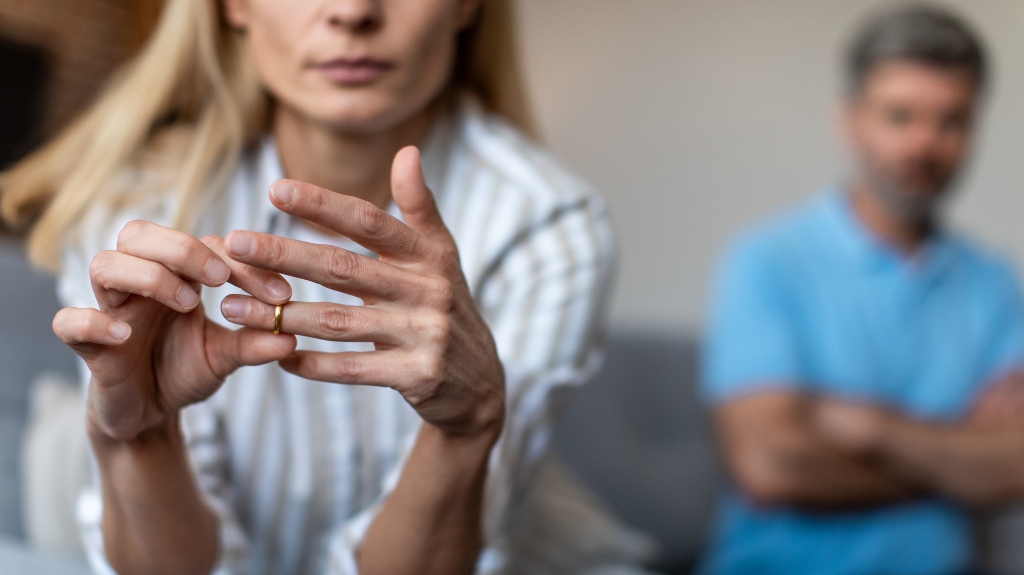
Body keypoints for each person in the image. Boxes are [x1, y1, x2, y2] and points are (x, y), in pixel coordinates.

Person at [0, 1, 644, 574]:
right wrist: (140, 440)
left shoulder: (548, 224)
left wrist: (468, 429)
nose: (354, 11)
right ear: (233, 6)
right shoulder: (134, 210)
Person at [700, 5, 1024, 575]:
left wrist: (868, 428)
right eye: (901, 116)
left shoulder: (994, 284)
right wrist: (960, 463)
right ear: (851, 120)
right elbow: (771, 465)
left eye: (951, 120)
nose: (925, 144)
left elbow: (1015, 465)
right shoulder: (768, 261)